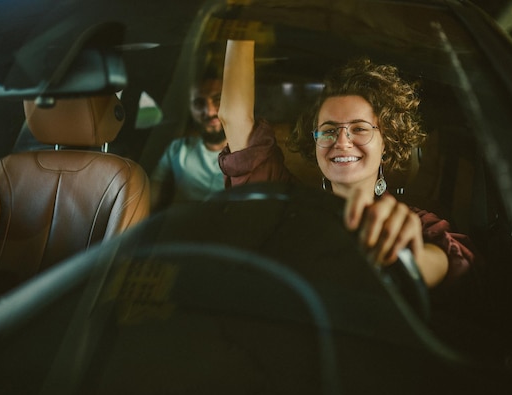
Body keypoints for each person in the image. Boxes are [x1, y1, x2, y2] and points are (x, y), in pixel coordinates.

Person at [218, 40, 476, 288]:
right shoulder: (283, 202)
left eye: (360, 129)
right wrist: (243, 22)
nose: (342, 141)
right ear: (314, 142)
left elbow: (452, 258)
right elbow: (234, 116)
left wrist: (407, 258)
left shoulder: (414, 222)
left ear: (386, 142)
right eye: (328, 130)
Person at [149, 70, 226, 209]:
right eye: (198, 103)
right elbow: (150, 199)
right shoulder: (177, 149)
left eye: (217, 99)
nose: (209, 112)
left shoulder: (250, 153)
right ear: (190, 109)